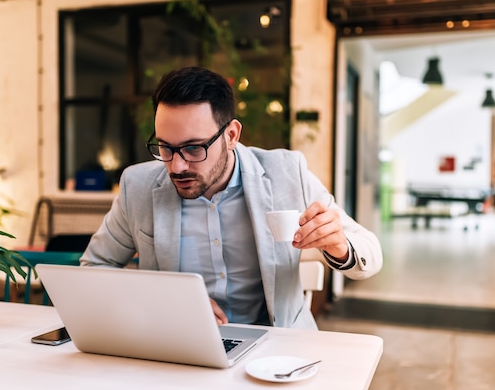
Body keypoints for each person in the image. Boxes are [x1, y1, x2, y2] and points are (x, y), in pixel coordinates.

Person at [80, 66, 383, 329]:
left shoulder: (287, 174)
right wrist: (165, 300)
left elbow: (370, 256)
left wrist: (340, 245)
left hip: (278, 349)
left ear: (231, 135)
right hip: (178, 346)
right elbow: (93, 269)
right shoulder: (138, 186)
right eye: (165, 147)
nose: (177, 165)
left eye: (194, 148)